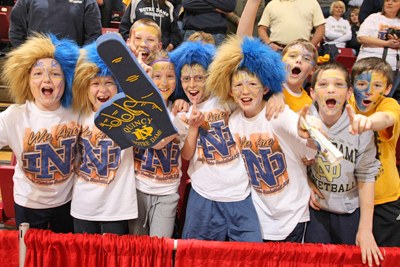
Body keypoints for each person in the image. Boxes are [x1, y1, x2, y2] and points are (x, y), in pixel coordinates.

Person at [207, 35, 317, 243]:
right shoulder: (234, 121)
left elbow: (309, 148)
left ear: (265, 88)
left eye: (252, 84)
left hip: (292, 214)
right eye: (238, 85)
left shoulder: (278, 114)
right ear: (230, 91)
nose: (245, 90)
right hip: (259, 215)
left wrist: (309, 135)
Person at [170, 41, 263, 242]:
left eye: (199, 78)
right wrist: (194, 126)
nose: (192, 85)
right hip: (203, 194)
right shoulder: (182, 114)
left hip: (240, 194)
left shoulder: (225, 100)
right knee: (196, 257)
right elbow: (186, 155)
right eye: (186, 79)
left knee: (252, 255)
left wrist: (276, 97)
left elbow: (251, 87)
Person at [304, 62, 383, 267]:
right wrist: (306, 182)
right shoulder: (302, 121)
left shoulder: (360, 127)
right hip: (316, 211)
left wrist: (365, 229)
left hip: (349, 210)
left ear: (349, 93)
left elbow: (366, 176)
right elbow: (293, 160)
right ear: (312, 92)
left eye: (338, 84)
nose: (330, 89)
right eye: (323, 84)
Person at [1, 33, 80, 232]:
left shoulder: (77, 113)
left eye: (55, 74)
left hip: (67, 202)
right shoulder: (14, 116)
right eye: (37, 74)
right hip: (28, 204)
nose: (46, 79)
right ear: (26, 80)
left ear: (67, 80)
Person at [70, 43, 138, 235]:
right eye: (95, 83)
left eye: (109, 82)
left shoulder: (131, 115)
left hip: (117, 208)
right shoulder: (78, 115)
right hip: (83, 205)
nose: (103, 90)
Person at [129, 50, 183, 237]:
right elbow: (156, 142)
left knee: (160, 249)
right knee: (137, 249)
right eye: (157, 76)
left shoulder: (181, 111)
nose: (164, 82)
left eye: (170, 76)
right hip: (137, 189)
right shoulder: (136, 109)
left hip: (167, 191)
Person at [349, 57, 400, 247]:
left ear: (387, 89)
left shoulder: (388, 104)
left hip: (384, 198)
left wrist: (368, 122)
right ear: (351, 85)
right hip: (351, 199)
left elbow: (386, 118)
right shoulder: (347, 103)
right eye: (361, 83)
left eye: (377, 85)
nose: (368, 90)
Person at [9, 0, 102, 47]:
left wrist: (78, 59)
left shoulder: (87, 2)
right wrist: (28, 55)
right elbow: (16, 31)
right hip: (34, 63)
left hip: (72, 65)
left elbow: (94, 35)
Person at [258, 0, 325, 52]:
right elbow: (261, 28)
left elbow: (321, 28)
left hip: (302, 51)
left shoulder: (312, 2)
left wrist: (310, 47)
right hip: (277, 51)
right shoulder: (272, 4)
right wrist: (269, 44)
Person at [356, 0, 400, 72]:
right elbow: (361, 38)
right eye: (387, 1)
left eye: (394, 1)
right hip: (369, 65)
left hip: (395, 68)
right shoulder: (373, 17)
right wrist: (387, 43)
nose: (389, 3)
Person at [281, 39, 318, 112]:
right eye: (292, 56)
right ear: (281, 61)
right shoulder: (266, 88)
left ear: (313, 70)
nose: (299, 60)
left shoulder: (308, 106)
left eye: (306, 58)